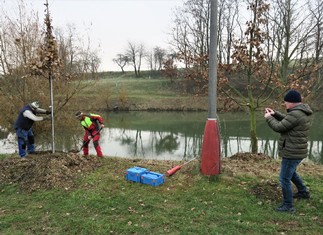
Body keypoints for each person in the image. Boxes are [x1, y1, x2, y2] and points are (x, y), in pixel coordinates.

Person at [264, 90, 312, 213]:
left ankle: (288, 206)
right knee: (291, 173)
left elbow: (279, 127)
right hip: (297, 151)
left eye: (286, 102)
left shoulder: (296, 114)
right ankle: (303, 192)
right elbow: (288, 120)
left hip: (292, 152)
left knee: (284, 178)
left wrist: (269, 118)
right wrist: (275, 114)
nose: (285, 104)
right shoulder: (301, 112)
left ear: (291, 102)